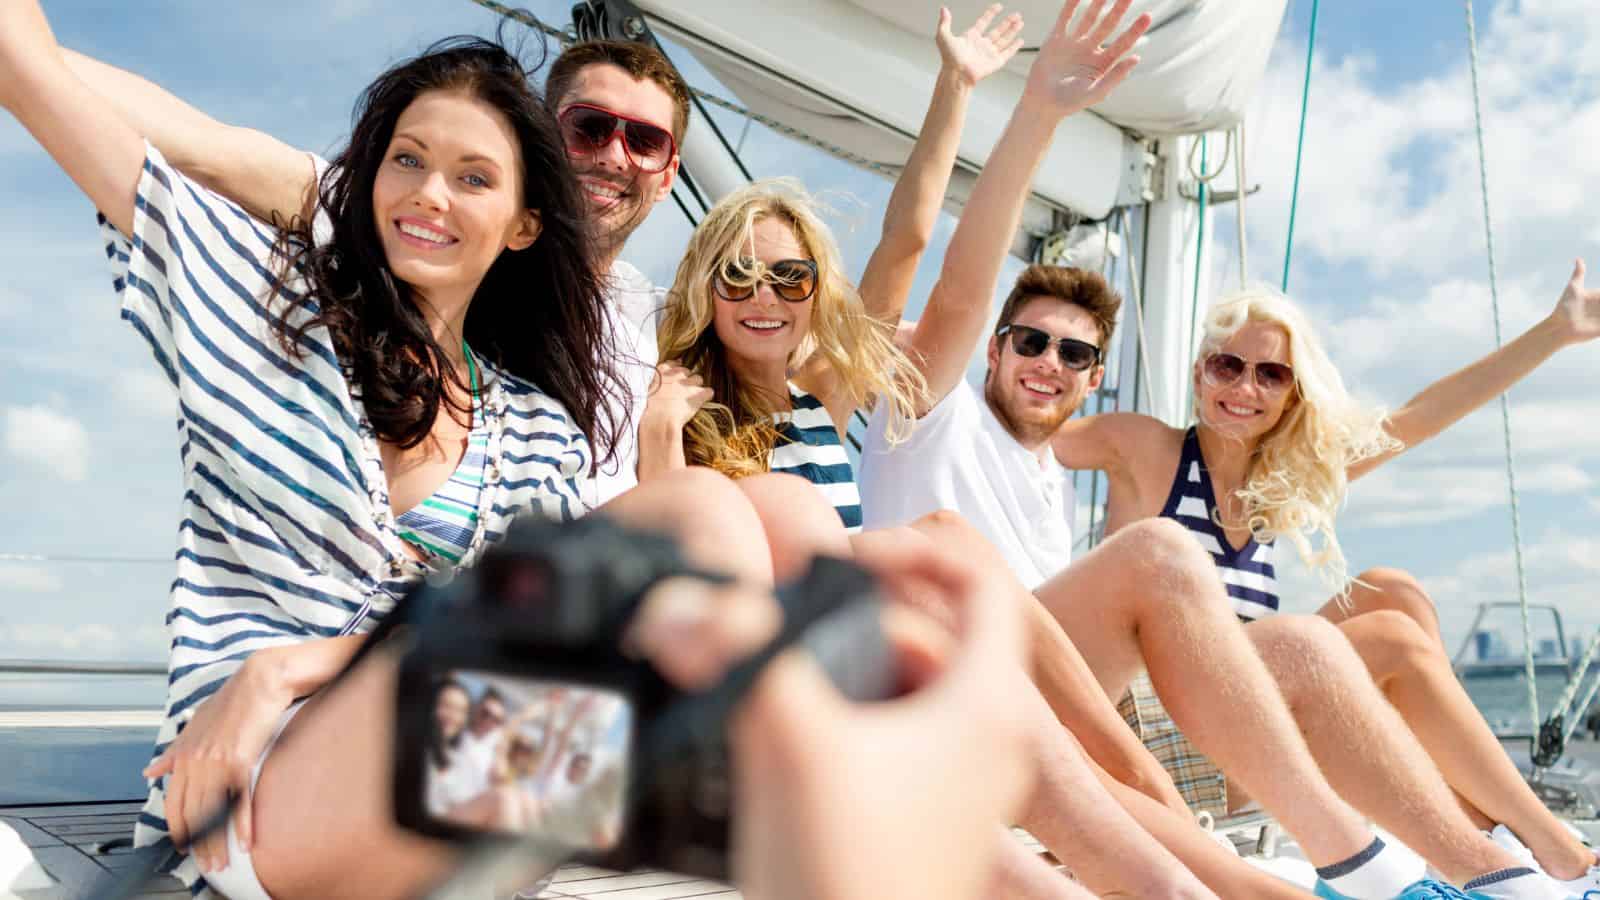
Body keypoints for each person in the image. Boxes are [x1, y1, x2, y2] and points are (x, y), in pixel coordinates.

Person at [0, 6, 836, 899]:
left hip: (449, 766)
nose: (431, 194)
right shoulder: (264, 311)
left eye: (474, 178)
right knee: (695, 540)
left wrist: (289, 665)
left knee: (758, 523)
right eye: (408, 160)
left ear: (522, 223)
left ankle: (781, 800)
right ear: (368, 181)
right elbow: (35, 77)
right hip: (258, 794)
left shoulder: (535, 426)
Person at [1045, 276, 1600, 893]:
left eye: (1270, 375)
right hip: (1166, 737)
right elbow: (1025, 419)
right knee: (1389, 637)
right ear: (1200, 372)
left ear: (1292, 394)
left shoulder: (1277, 480)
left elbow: (1420, 418)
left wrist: (1554, 333)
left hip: (1249, 721)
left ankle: (1477, 830)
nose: (1244, 388)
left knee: (1393, 593)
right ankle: (1558, 852)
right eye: (1227, 366)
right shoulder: (1145, 449)